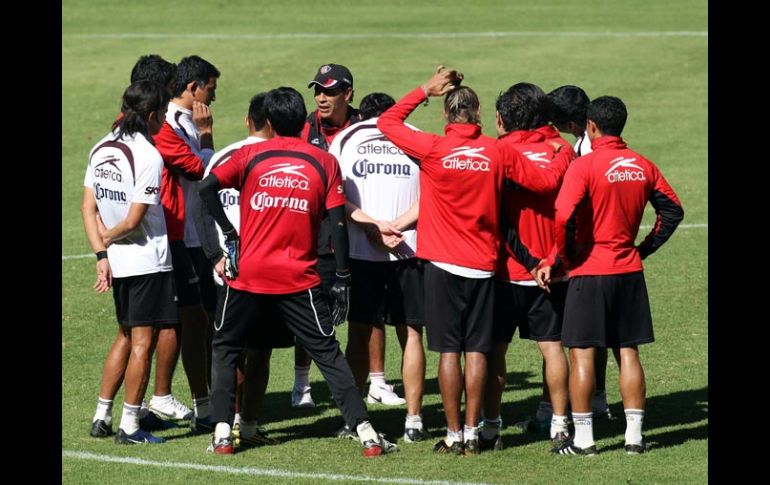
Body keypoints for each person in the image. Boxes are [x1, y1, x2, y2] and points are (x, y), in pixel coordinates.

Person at [378, 66, 568, 455]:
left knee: (449, 351)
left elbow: (387, 121)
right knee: (478, 352)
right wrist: (561, 150)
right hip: (483, 265)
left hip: (441, 265)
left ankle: (454, 435)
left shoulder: (432, 148)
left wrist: (425, 89)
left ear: (447, 115)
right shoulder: (499, 151)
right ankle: (478, 430)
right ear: (480, 113)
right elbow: (546, 183)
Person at [199, 86, 397, 457]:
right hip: (299, 279)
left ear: (270, 123)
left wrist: (230, 235)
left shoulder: (249, 155)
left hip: (248, 274)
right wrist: (341, 276)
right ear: (301, 118)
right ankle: (368, 434)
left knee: (225, 348)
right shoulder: (322, 161)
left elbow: (206, 188)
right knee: (328, 354)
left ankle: (223, 433)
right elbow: (337, 221)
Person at [546, 95, 684, 455]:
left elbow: (563, 216)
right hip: (628, 271)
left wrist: (566, 256)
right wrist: (643, 249)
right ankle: (634, 438)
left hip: (590, 272)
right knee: (628, 352)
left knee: (582, 355)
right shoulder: (642, 165)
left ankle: (584, 440)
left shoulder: (585, 166)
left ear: (591, 126)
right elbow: (672, 212)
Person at [296, 63, 403, 409]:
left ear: (348, 94)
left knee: (370, 313)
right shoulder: (302, 128)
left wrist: (377, 225)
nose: (321, 98)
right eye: (318, 90)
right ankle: (302, 386)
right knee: (310, 310)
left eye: (329, 91)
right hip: (313, 236)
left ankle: (376, 381)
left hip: (358, 236)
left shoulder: (366, 128)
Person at [329, 92, 428, 442]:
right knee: (412, 333)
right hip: (408, 250)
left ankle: (356, 420)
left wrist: (372, 226)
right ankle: (414, 421)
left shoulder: (346, 138)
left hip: (361, 252)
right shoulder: (414, 134)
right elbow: (430, 192)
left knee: (357, 332)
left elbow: (335, 194)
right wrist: (396, 227)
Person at [481, 82, 574, 451]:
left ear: (504, 117)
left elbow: (495, 216)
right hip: (553, 270)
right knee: (553, 349)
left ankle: (490, 428)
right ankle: (560, 425)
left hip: (508, 269)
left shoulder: (498, 151)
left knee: (495, 352)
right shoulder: (562, 150)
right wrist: (552, 260)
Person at [82, 80, 174, 444]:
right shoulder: (148, 156)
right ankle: (131, 425)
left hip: (119, 263)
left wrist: (102, 253)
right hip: (147, 260)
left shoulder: (101, 146)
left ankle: (102, 415)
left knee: (123, 334)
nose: (165, 121)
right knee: (142, 342)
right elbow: (134, 220)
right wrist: (108, 239)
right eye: (163, 115)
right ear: (151, 115)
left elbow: (87, 208)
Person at [196, 92, 288, 448]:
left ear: (249, 121)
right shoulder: (283, 158)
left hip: (228, 272)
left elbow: (201, 209)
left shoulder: (223, 155)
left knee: (228, 348)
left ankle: (227, 423)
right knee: (260, 349)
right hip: (270, 272)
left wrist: (214, 257)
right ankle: (246, 424)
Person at [151, 55, 220, 430]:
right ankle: (197, 404)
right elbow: (203, 171)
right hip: (178, 235)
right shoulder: (169, 125)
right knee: (189, 320)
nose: (214, 98)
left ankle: (203, 399)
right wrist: (207, 137)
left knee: (202, 320)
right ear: (193, 87)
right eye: (211, 89)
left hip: (196, 235)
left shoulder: (185, 122)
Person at [548, 84, 613, 420]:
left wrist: (562, 257)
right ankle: (597, 400)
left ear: (572, 125)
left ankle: (583, 411)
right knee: (598, 336)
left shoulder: (586, 155)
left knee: (578, 338)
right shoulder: (591, 141)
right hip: (605, 251)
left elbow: (570, 213)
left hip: (585, 255)